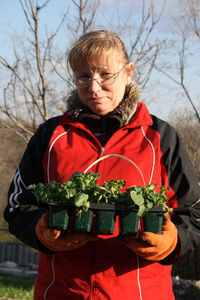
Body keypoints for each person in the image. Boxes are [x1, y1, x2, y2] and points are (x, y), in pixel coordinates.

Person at [4, 30, 200, 300]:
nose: (93, 88)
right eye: (84, 76)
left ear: (128, 72)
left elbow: (195, 212)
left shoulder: (159, 137)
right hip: (62, 293)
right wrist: (39, 229)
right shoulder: (50, 136)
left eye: (106, 75)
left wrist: (173, 241)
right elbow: (17, 206)